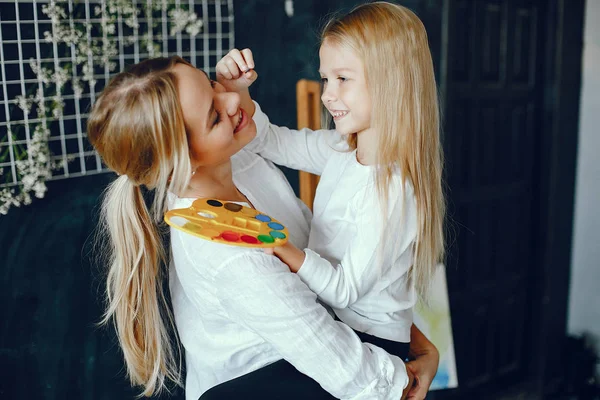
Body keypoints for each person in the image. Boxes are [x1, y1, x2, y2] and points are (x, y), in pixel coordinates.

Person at [87, 55, 438, 400]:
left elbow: (335, 271)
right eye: (213, 116)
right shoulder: (227, 252)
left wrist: (418, 345)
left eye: (211, 83)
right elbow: (336, 360)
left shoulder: (239, 162)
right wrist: (402, 380)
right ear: (184, 162)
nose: (229, 98)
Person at [216, 0, 445, 392]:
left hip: (373, 341)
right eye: (326, 79)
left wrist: (280, 247)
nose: (326, 95)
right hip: (337, 320)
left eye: (342, 79)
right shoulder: (342, 151)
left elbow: (343, 289)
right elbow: (270, 142)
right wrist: (237, 92)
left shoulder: (394, 190)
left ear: (391, 80)